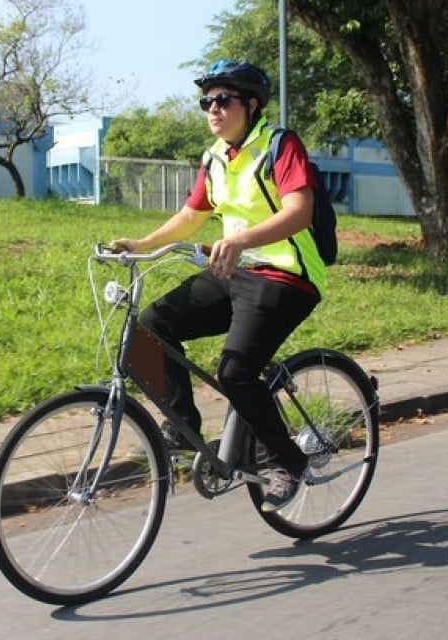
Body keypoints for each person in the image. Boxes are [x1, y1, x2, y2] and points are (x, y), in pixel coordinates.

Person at [111, 60, 327, 513]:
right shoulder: (214, 157)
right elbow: (192, 215)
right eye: (206, 101)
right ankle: (182, 428)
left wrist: (240, 239)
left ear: (250, 105)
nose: (213, 109)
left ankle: (286, 461)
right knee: (150, 326)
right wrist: (141, 244)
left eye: (222, 100)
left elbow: (299, 211)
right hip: (236, 273)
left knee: (235, 373)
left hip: (286, 277)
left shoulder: (278, 144)